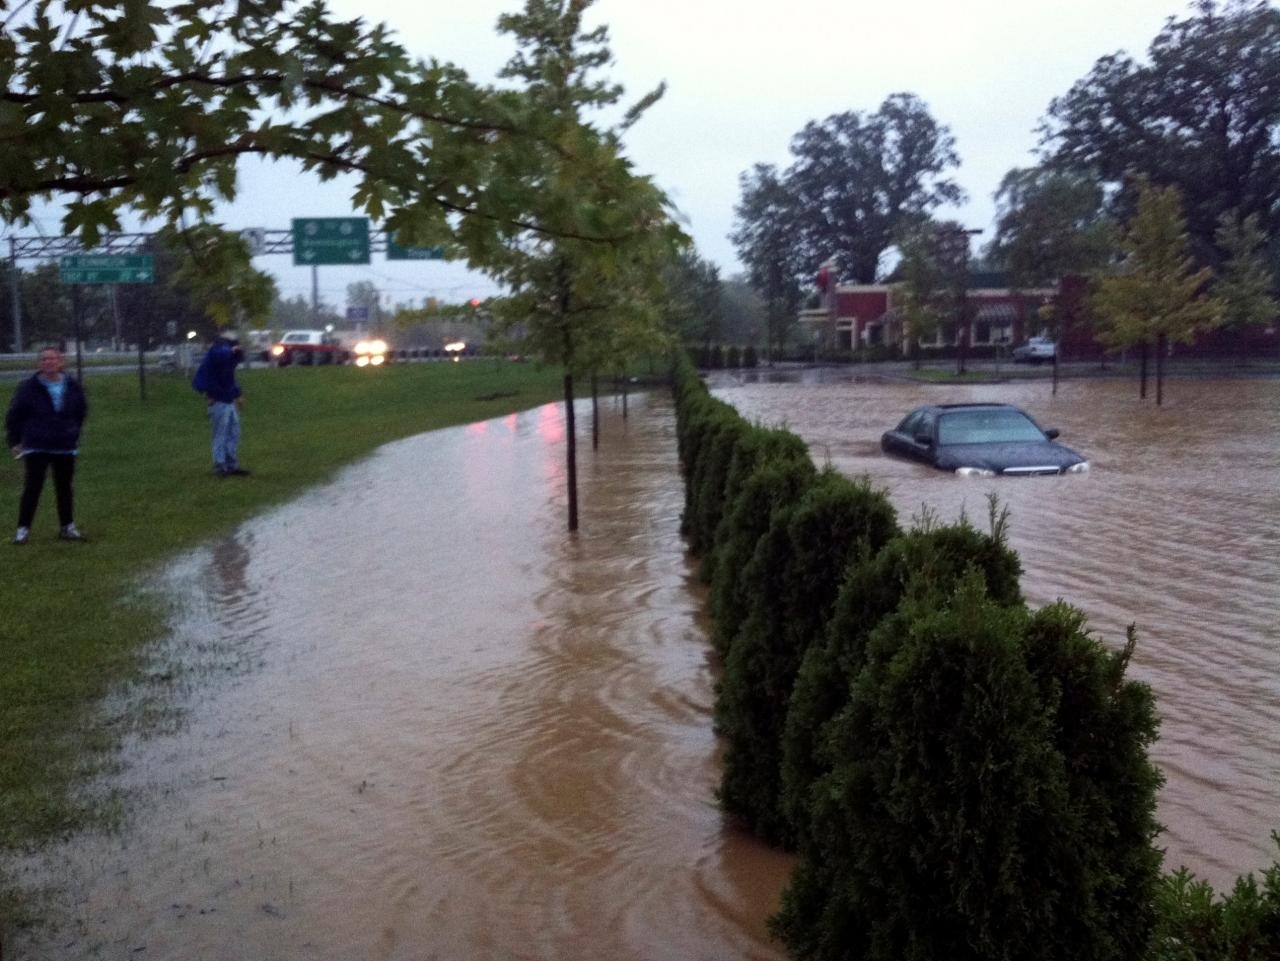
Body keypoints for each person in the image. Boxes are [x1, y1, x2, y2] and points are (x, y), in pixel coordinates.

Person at [5, 345, 89, 545]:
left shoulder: (72, 385)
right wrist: (15, 440)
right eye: (44, 359)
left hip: (64, 443)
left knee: (64, 487)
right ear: (39, 364)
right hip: (37, 443)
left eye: (52, 359)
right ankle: (23, 530)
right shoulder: (28, 387)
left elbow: (80, 410)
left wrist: (73, 431)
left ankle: (67, 526)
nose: (48, 362)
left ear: (61, 362)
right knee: (33, 486)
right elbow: (15, 414)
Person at [192, 331, 250, 477]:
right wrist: (232, 350)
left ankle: (231, 464)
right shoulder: (218, 350)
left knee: (233, 431)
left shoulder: (227, 360)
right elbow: (220, 354)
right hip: (218, 400)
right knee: (220, 434)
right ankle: (219, 465)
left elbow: (230, 378)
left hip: (228, 400)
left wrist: (238, 395)